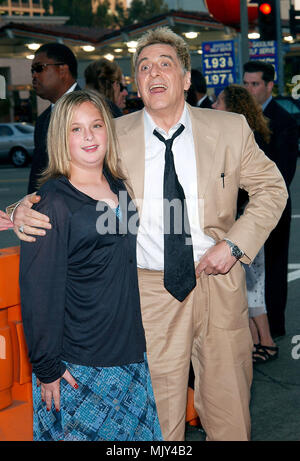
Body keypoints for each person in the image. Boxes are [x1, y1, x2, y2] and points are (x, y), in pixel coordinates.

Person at [9, 27, 288, 441]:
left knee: (230, 414)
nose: (154, 73)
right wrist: (21, 209)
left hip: (219, 283)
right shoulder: (113, 135)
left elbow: (272, 187)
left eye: (165, 64)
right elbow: (68, 184)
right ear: (137, 82)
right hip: (149, 293)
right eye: (144, 67)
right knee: (159, 420)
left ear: (186, 77)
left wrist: (234, 244)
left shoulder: (229, 128)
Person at [19, 89, 162, 441]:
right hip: (79, 364)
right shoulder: (52, 202)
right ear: (59, 137)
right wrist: (47, 367)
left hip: (129, 354)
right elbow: (39, 292)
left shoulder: (120, 189)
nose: (88, 136)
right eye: (75, 129)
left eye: (96, 125)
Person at [212, 84, 278, 363]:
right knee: (251, 284)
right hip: (246, 222)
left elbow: (262, 188)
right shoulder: (251, 136)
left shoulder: (239, 142)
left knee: (250, 286)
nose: (214, 106)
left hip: (244, 223)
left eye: (218, 102)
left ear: (232, 108)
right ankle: (257, 341)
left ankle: (264, 340)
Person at [243, 61, 298, 338]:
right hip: (245, 210)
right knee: (249, 272)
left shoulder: (284, 121)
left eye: (254, 84)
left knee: (274, 270)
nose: (249, 89)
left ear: (269, 86)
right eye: (246, 83)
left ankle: (274, 327)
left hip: (274, 210)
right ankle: (254, 329)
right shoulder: (239, 119)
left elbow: (284, 174)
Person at [27, 43, 80, 195]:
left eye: (39, 68)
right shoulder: (43, 119)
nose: (34, 75)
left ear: (63, 70)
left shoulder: (96, 109)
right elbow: (38, 176)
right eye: (32, 70)